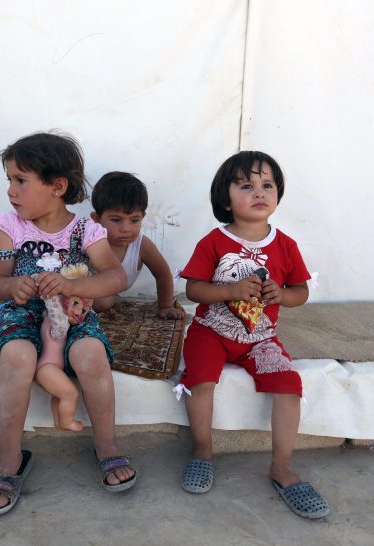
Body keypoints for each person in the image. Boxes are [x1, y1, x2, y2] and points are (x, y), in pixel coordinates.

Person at [0, 132, 136, 516]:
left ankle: (107, 446)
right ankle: (9, 460)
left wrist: (73, 286)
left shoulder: (86, 231)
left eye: (20, 180)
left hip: (74, 311)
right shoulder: (10, 226)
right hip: (24, 312)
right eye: (10, 180)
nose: (11, 190)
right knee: (17, 359)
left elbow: (116, 277)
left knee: (92, 356)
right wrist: (13, 285)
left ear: (57, 187)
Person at [176, 151, 329, 519]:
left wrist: (284, 296)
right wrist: (228, 291)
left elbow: (301, 292)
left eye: (267, 185)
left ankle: (282, 467)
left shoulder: (285, 244)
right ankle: (202, 452)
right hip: (210, 332)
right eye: (247, 185)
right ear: (225, 199)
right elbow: (194, 290)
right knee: (200, 381)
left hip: (260, 338)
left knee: (289, 385)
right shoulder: (213, 241)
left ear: (277, 194)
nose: (259, 192)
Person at [90, 171, 185, 320]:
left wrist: (166, 306)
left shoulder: (141, 245)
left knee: (101, 302)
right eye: (116, 220)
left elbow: (163, 274)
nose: (126, 228)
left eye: (134, 220)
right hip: (81, 288)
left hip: (103, 296)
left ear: (143, 217)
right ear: (96, 218)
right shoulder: (88, 239)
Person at [35, 261, 92, 432]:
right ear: (63, 302)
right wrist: (49, 292)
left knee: (59, 395)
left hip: (48, 369)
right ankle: (67, 422)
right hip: (48, 369)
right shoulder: (59, 325)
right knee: (70, 394)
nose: (79, 312)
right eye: (75, 304)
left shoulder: (53, 321)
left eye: (83, 311)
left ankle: (58, 421)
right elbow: (53, 308)